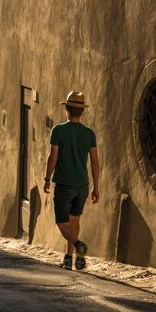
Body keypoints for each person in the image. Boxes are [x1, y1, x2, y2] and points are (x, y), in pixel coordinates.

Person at [44, 91, 100, 270]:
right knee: (74, 220)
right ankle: (70, 258)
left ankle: (78, 246)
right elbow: (95, 162)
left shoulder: (58, 131)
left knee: (61, 222)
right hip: (82, 185)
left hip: (64, 184)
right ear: (81, 112)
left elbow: (53, 158)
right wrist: (96, 187)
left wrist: (47, 178)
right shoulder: (89, 134)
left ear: (66, 109)